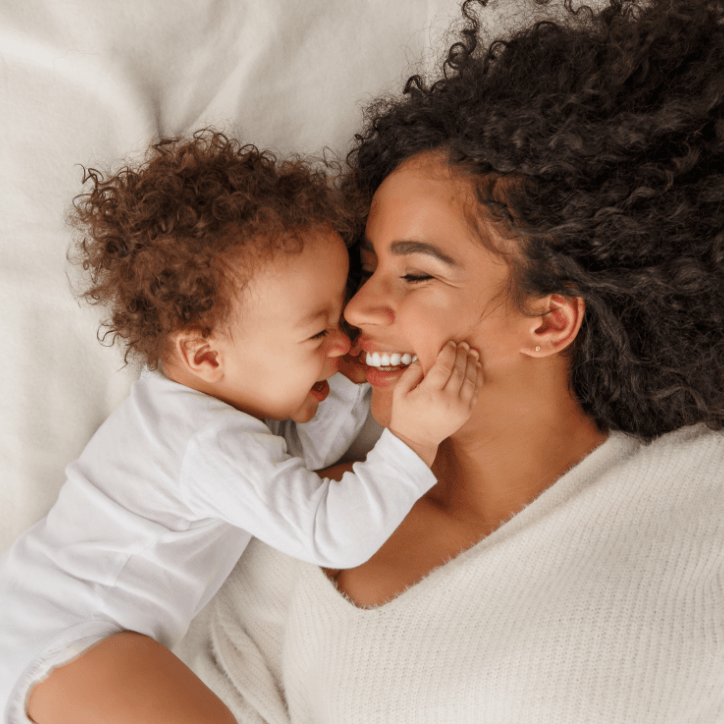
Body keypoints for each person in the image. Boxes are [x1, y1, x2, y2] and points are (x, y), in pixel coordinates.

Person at [164, 0, 722, 722]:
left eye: (416, 275)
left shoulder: (700, 496)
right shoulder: (299, 514)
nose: (359, 310)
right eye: (365, 272)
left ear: (549, 320)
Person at [0, 131, 484, 724]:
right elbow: (329, 529)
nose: (344, 341)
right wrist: (413, 442)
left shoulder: (211, 412)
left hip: (54, 636)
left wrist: (348, 381)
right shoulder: (203, 442)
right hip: (73, 639)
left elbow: (299, 463)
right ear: (205, 356)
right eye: (317, 333)